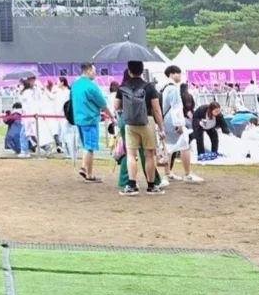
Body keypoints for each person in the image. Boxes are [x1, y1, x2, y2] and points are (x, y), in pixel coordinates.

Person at [114, 60, 165, 196]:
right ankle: (151, 186)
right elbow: (156, 109)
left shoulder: (123, 86)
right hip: (147, 121)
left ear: (129, 71)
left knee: (131, 155)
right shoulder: (149, 87)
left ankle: (131, 185)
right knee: (149, 155)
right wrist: (161, 127)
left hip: (130, 123)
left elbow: (116, 106)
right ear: (142, 71)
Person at [159, 66, 204, 183]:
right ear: (171, 74)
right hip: (173, 121)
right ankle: (188, 174)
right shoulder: (173, 88)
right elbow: (176, 107)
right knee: (184, 146)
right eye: (177, 73)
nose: (179, 75)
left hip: (164, 120)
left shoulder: (163, 87)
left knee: (168, 147)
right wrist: (178, 123)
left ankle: (167, 173)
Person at [70, 63, 106, 183]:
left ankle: (88, 172)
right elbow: (102, 103)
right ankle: (85, 169)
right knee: (89, 147)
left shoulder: (75, 84)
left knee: (86, 145)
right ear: (89, 70)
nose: (95, 73)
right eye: (94, 71)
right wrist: (111, 116)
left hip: (78, 118)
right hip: (90, 118)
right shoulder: (91, 86)